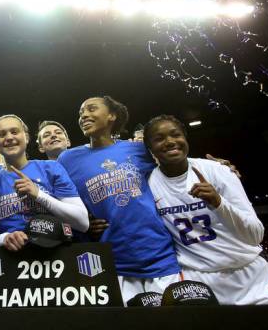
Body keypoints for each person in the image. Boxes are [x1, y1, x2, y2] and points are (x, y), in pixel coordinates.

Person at [144, 115, 268, 305]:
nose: (169, 142)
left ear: (185, 138)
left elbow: (255, 235)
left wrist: (219, 203)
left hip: (248, 275)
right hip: (198, 281)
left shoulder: (217, 171)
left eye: (175, 135)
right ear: (149, 149)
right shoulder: (148, 184)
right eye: (159, 139)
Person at [57, 96, 182, 303]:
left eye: (91, 109)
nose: (84, 116)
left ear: (112, 116)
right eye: (81, 113)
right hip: (112, 261)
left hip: (158, 254)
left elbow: (176, 166)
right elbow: (62, 202)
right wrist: (83, 223)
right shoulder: (68, 159)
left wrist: (219, 167)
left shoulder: (139, 149)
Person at [0, 114, 88, 251]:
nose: (9, 137)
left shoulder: (50, 168)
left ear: (27, 137)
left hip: (56, 256)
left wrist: (38, 195)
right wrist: (3, 238)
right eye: (1, 134)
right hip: (8, 260)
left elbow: (82, 222)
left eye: (14, 132)